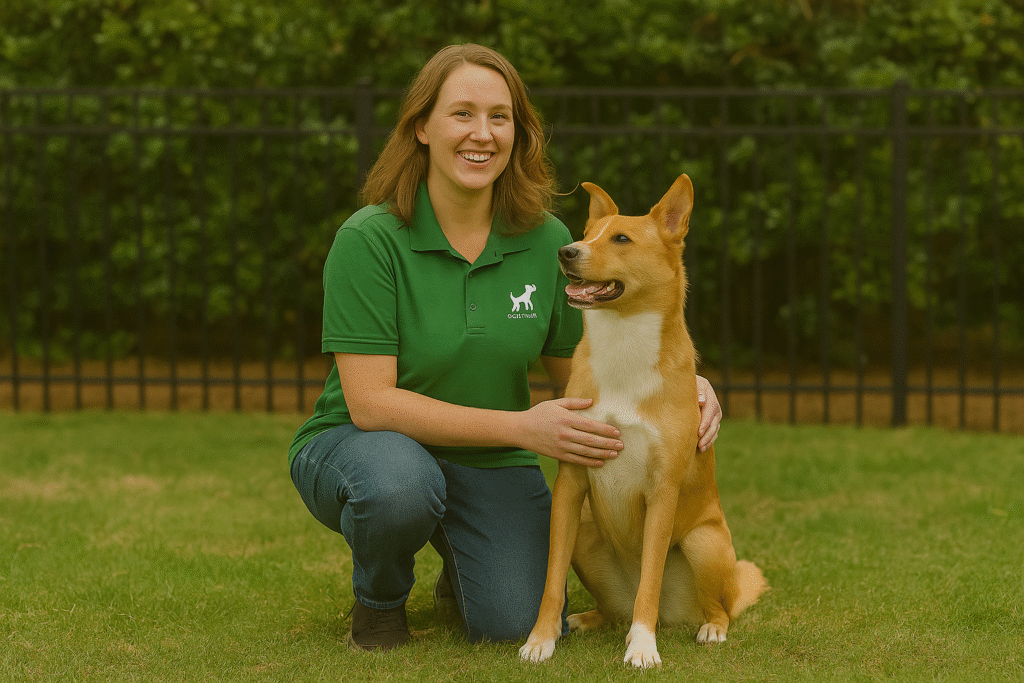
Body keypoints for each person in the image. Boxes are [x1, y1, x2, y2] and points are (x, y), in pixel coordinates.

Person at [288, 43, 723, 652]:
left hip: (490, 458)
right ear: (421, 128)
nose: (482, 133)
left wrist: (681, 386)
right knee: (399, 485)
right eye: (462, 113)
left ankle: (459, 566)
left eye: (500, 117)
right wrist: (522, 427)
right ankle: (380, 603)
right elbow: (371, 404)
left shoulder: (547, 240)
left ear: (518, 134)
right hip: (367, 446)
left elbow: (583, 374)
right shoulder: (369, 239)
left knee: (516, 622)